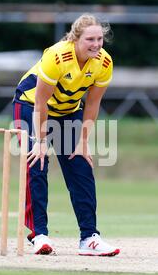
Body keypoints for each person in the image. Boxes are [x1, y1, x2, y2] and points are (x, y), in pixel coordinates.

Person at [12, 13, 120, 256]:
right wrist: (40, 142)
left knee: (80, 166)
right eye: (90, 39)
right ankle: (38, 234)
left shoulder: (103, 62)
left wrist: (82, 141)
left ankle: (89, 238)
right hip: (31, 106)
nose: (96, 44)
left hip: (68, 111)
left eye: (100, 39)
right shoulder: (58, 56)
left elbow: (92, 105)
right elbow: (41, 103)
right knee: (37, 163)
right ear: (76, 39)